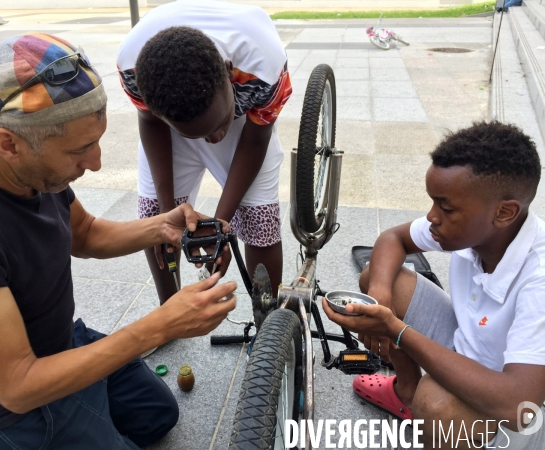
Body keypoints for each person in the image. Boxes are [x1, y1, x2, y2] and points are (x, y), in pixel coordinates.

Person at [0, 33, 235, 449]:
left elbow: (84, 233)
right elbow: (17, 384)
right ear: (8, 144)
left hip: (60, 339)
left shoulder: (30, 168)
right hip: (11, 406)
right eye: (79, 151)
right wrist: (159, 325)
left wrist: (162, 226)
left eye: (97, 141)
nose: (96, 163)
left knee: (158, 415)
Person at [323, 121, 545, 449]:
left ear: (504, 212)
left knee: (437, 405)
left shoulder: (538, 280)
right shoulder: (480, 227)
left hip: (519, 411)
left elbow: (518, 408)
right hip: (468, 344)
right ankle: (406, 393)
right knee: (380, 277)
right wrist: (381, 297)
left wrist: (396, 330)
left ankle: (434, 415)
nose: (431, 216)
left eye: (445, 207)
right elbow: (392, 238)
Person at [116, 0, 292, 312]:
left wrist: (222, 224)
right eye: (203, 135)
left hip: (246, 127)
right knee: (154, 217)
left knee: (259, 219)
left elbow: (256, 138)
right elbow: (150, 121)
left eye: (218, 127)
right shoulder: (133, 67)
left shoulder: (265, 67)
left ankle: (268, 318)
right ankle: (168, 313)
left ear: (227, 72)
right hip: (176, 125)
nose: (215, 139)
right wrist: (165, 217)